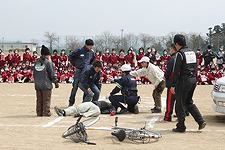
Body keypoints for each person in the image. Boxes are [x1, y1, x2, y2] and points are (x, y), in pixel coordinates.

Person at [170, 34, 206, 133]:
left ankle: (181, 126)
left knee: (180, 104)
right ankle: (200, 121)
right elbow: (196, 66)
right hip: (193, 79)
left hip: (184, 80)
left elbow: (176, 70)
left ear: (177, 44)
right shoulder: (192, 52)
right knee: (188, 102)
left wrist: (173, 85)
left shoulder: (179, 54)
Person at [33, 45, 59, 117]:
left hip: (38, 84)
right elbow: (52, 73)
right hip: (46, 84)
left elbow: (34, 73)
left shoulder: (36, 62)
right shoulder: (48, 62)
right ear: (47, 55)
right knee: (46, 99)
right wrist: (55, 82)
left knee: (39, 99)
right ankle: (46, 112)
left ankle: (39, 112)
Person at [68, 39, 95, 106]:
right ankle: (71, 102)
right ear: (86, 45)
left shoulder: (92, 52)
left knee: (86, 86)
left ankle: (84, 102)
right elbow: (70, 56)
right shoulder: (79, 51)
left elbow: (92, 60)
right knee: (75, 87)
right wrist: (75, 64)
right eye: (90, 46)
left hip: (86, 72)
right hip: (78, 71)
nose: (91, 47)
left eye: (92, 46)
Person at [162, 44, 177, 122]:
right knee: (180, 100)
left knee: (170, 100)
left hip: (172, 83)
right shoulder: (180, 57)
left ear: (172, 49)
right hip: (181, 82)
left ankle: (167, 116)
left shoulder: (172, 59)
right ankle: (181, 115)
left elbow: (169, 71)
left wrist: (165, 76)